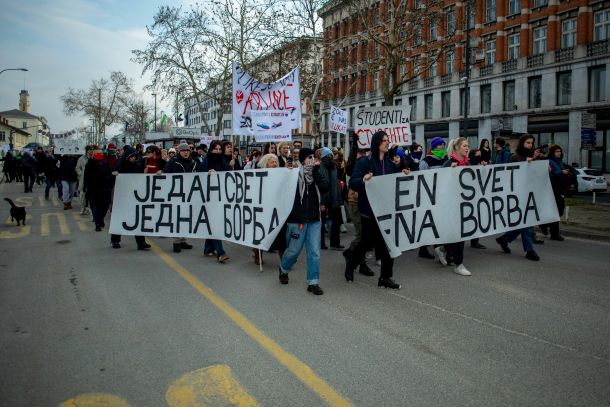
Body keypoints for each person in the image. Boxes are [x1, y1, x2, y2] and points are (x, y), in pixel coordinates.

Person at [344, 130, 410, 289]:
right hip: (369, 213)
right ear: (376, 143)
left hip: (386, 212)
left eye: (388, 140)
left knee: (389, 244)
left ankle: (385, 278)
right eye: (384, 140)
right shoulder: (365, 162)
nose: (387, 142)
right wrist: (363, 180)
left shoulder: (390, 164)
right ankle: (351, 265)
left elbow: (397, 182)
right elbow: (353, 182)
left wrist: (404, 173)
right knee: (365, 244)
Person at [279, 148, 329, 295]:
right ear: (302, 160)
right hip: (297, 220)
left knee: (314, 252)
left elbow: (325, 187)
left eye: (314, 156)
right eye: (309, 157)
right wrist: (285, 173)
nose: (312, 159)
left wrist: (315, 172)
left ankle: (313, 282)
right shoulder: (293, 175)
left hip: (314, 219)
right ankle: (283, 268)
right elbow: (282, 189)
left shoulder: (317, 173)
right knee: (294, 251)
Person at [495, 134, 540, 261]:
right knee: (526, 223)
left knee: (522, 222)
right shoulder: (515, 157)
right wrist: (526, 163)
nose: (530, 145)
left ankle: (504, 239)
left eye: (531, 143)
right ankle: (529, 250)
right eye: (528, 143)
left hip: (529, 193)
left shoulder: (533, 157)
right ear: (522, 144)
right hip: (518, 195)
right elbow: (511, 174)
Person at [442, 138, 474, 276]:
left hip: (465, 203)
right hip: (452, 205)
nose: (467, 148)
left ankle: (443, 249)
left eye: (468, 146)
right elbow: (441, 184)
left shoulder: (469, 163)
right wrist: (450, 172)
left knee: (457, 233)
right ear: (456, 148)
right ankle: (458, 264)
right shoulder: (449, 164)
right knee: (459, 233)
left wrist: (484, 170)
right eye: (464, 146)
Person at [110, 146, 151, 250]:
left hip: (135, 197)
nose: (133, 159)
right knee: (119, 219)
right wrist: (113, 175)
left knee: (138, 219)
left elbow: (141, 179)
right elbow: (110, 180)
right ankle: (115, 240)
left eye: (134, 156)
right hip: (122, 197)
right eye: (131, 157)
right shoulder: (119, 166)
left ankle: (141, 242)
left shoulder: (137, 166)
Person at [418, 137, 449, 261]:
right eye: (440, 145)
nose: (442, 146)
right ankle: (430, 248)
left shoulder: (446, 159)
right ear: (434, 147)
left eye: (443, 144)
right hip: (430, 197)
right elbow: (421, 179)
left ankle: (434, 247)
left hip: (443, 196)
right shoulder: (425, 161)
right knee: (431, 223)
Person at [163, 142, 198, 254]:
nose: (186, 152)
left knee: (186, 217)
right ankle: (176, 242)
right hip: (176, 194)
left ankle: (183, 240)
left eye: (187, 150)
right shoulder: (173, 162)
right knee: (177, 217)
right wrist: (161, 173)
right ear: (179, 152)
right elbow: (166, 173)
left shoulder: (193, 162)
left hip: (189, 194)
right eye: (183, 151)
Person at [200, 141, 230, 262]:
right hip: (209, 198)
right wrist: (207, 174)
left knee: (213, 223)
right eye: (215, 149)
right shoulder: (206, 161)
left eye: (219, 149)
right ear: (211, 150)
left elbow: (227, 176)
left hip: (220, 196)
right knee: (215, 223)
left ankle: (208, 248)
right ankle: (220, 253)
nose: (218, 151)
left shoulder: (223, 161)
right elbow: (199, 176)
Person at [319, 147, 343, 250]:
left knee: (337, 221)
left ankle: (335, 242)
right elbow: (320, 185)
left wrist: (339, 200)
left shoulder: (334, 167)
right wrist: (321, 203)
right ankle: (321, 243)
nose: (329, 158)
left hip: (334, 198)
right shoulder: (319, 167)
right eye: (327, 156)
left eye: (330, 156)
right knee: (321, 222)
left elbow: (336, 184)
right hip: (324, 198)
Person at [543, 144, 568, 241]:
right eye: (557, 151)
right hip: (553, 188)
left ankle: (545, 224)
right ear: (552, 152)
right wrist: (561, 172)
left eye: (560, 151)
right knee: (556, 211)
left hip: (560, 188)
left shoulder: (560, 162)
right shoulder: (550, 162)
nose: (559, 153)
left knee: (560, 210)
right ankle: (554, 233)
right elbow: (549, 175)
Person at [84, 148, 113, 232]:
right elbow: (87, 177)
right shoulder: (90, 164)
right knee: (97, 207)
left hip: (105, 188)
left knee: (105, 207)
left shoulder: (105, 163)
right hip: (95, 189)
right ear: (93, 154)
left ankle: (101, 219)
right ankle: (97, 223)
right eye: (98, 154)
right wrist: (86, 187)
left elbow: (108, 173)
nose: (100, 155)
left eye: (101, 153)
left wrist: (111, 177)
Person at [76, 145, 94, 214]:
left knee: (91, 194)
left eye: (92, 149)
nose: (91, 151)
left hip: (92, 179)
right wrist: (81, 174)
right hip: (83, 179)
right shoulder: (81, 158)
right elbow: (77, 168)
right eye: (90, 149)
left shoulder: (94, 158)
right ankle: (83, 207)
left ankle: (89, 208)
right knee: (82, 194)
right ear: (87, 150)